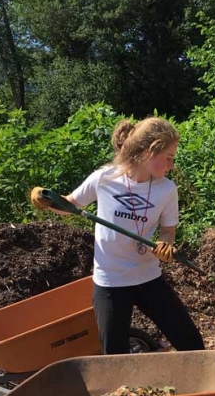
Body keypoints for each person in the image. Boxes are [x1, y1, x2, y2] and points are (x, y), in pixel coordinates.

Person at [30, 117, 205, 355]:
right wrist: (46, 200)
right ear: (150, 151)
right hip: (110, 282)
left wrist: (166, 244)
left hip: (148, 277)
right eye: (169, 158)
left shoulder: (167, 189)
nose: (172, 165)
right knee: (114, 357)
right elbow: (71, 204)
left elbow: (168, 230)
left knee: (192, 344)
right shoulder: (105, 178)